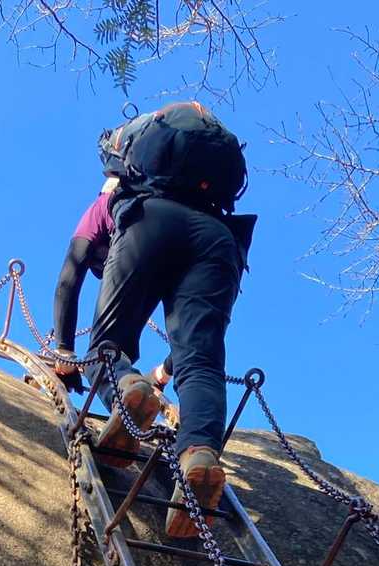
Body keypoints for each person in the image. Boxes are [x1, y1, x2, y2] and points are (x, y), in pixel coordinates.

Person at [85, 101, 256, 540]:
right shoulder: (208, 157)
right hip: (219, 238)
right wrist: (163, 372)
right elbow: (190, 349)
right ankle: (199, 454)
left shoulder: (119, 171)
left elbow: (71, 271)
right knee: (202, 361)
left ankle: (126, 390)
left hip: (150, 219)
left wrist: (66, 350)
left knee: (105, 347)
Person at [49, 178, 173, 397]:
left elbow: (68, 281)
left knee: (101, 352)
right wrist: (164, 373)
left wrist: (64, 349)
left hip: (138, 238)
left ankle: (123, 395)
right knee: (125, 345)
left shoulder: (102, 205)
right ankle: (152, 377)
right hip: (175, 237)